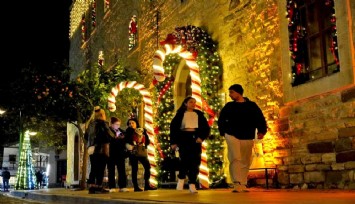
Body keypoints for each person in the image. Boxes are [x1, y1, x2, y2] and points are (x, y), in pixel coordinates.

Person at [218, 84, 267, 193]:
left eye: (232, 92)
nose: (230, 95)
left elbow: (260, 118)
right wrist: (223, 131)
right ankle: (236, 183)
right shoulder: (229, 106)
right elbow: (221, 119)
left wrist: (262, 131)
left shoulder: (252, 106)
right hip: (231, 134)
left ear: (238, 92)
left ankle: (243, 182)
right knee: (235, 157)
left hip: (247, 135)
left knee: (245, 159)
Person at [170, 96, 210, 193]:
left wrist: (201, 137)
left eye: (194, 102)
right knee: (184, 160)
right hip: (183, 138)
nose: (193, 104)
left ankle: (192, 183)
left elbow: (206, 127)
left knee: (195, 161)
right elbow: (173, 128)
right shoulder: (180, 114)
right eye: (191, 102)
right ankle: (181, 178)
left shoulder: (199, 114)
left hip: (195, 138)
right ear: (185, 103)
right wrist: (174, 142)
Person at [84, 107, 114, 194]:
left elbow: (86, 136)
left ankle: (91, 187)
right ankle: (99, 186)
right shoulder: (103, 123)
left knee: (93, 167)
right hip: (100, 148)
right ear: (102, 115)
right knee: (101, 167)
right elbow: (109, 134)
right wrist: (115, 136)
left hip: (91, 148)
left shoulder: (90, 124)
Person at [125, 118, 157, 192]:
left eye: (132, 123)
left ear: (136, 124)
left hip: (141, 151)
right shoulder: (128, 132)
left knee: (147, 166)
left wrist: (142, 141)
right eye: (129, 123)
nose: (131, 124)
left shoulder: (142, 130)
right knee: (134, 169)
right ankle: (136, 187)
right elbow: (126, 141)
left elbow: (147, 141)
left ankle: (147, 185)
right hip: (133, 153)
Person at [108, 117, 129, 193]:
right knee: (111, 170)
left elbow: (125, 139)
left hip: (120, 153)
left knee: (121, 170)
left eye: (119, 124)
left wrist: (122, 138)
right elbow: (108, 140)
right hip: (111, 153)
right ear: (112, 124)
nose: (118, 126)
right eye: (116, 124)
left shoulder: (122, 132)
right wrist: (115, 138)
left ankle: (122, 186)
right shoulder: (108, 131)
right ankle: (112, 186)